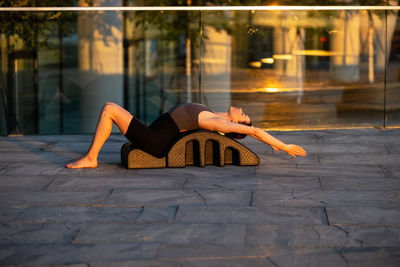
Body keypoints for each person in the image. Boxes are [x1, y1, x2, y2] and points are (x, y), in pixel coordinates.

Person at [65, 102, 306, 168]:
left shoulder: (217, 122)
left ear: (235, 125)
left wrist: (283, 145)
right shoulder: (215, 114)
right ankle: (91, 157)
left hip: (155, 143)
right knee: (111, 109)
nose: (243, 111)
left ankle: (91, 158)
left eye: (244, 115)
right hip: (153, 134)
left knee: (109, 109)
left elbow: (254, 131)